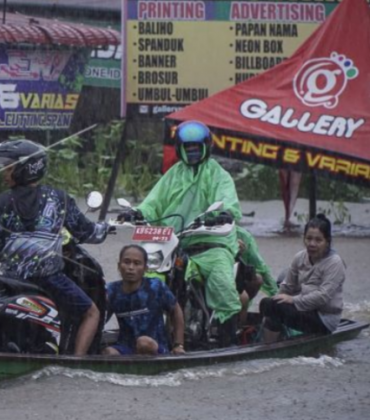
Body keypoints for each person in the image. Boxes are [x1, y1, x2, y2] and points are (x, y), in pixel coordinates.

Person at [118, 120, 242, 346]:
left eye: (196, 147)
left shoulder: (218, 175)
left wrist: (223, 213)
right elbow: (152, 203)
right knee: (146, 277)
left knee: (222, 283)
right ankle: (141, 332)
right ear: (180, 149)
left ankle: (227, 341)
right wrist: (136, 213)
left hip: (209, 243)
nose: (193, 152)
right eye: (188, 148)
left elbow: (228, 202)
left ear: (206, 147)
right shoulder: (173, 174)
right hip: (172, 242)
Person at [0, 139, 110, 356]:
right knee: (91, 312)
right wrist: (107, 227)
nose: (4, 174)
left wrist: (18, 260)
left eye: (8, 168)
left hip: (12, 277)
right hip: (48, 279)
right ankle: (77, 362)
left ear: (26, 168)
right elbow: (87, 233)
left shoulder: (4, 201)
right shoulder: (59, 198)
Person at [260, 214, 344, 343]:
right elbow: (287, 287)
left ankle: (269, 346)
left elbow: (322, 297)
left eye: (318, 240)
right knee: (267, 304)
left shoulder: (334, 262)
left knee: (274, 307)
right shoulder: (299, 257)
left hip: (323, 319)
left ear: (327, 241)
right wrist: (276, 301)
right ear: (304, 238)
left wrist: (292, 300)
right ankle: (270, 343)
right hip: (304, 309)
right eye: (308, 238)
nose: (312, 244)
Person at [103, 245, 186, 356]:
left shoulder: (155, 287)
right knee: (109, 352)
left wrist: (178, 345)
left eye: (137, 263)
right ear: (119, 266)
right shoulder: (112, 291)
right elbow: (100, 319)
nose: (131, 268)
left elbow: (176, 311)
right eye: (126, 262)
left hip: (155, 347)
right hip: (126, 347)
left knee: (143, 343)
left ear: (145, 269)